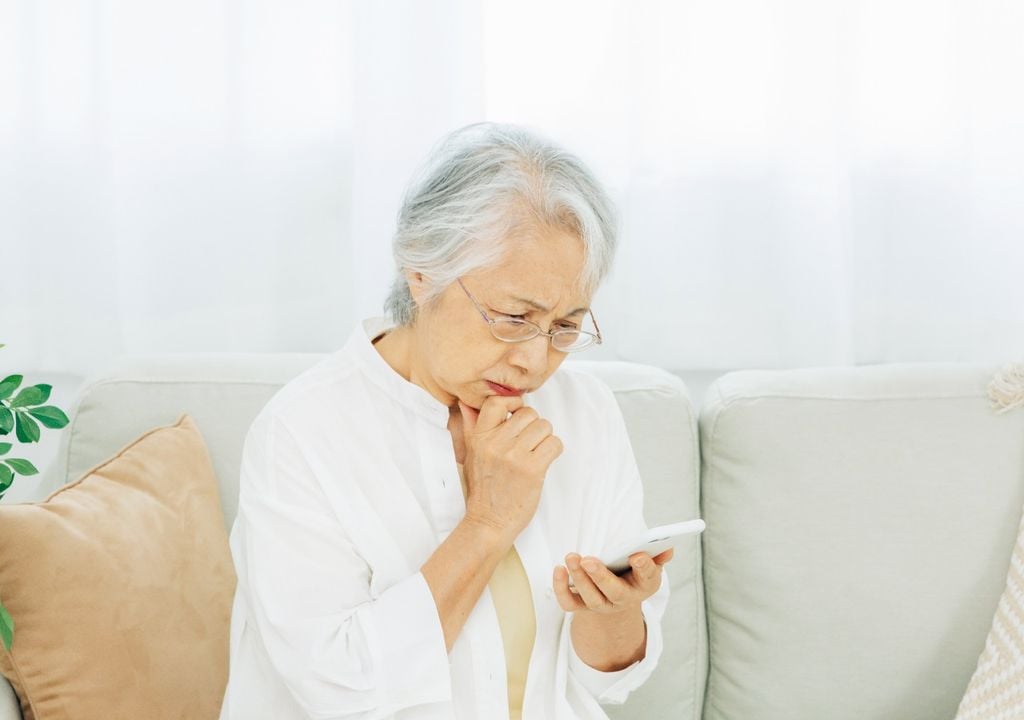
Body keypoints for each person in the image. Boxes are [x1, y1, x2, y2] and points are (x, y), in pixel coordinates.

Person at [218, 122, 673, 720]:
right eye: (513, 317)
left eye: (565, 327)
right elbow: (338, 687)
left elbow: (601, 686)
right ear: (421, 270)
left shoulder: (585, 414)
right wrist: (488, 522)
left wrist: (612, 611)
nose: (536, 360)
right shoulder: (302, 433)